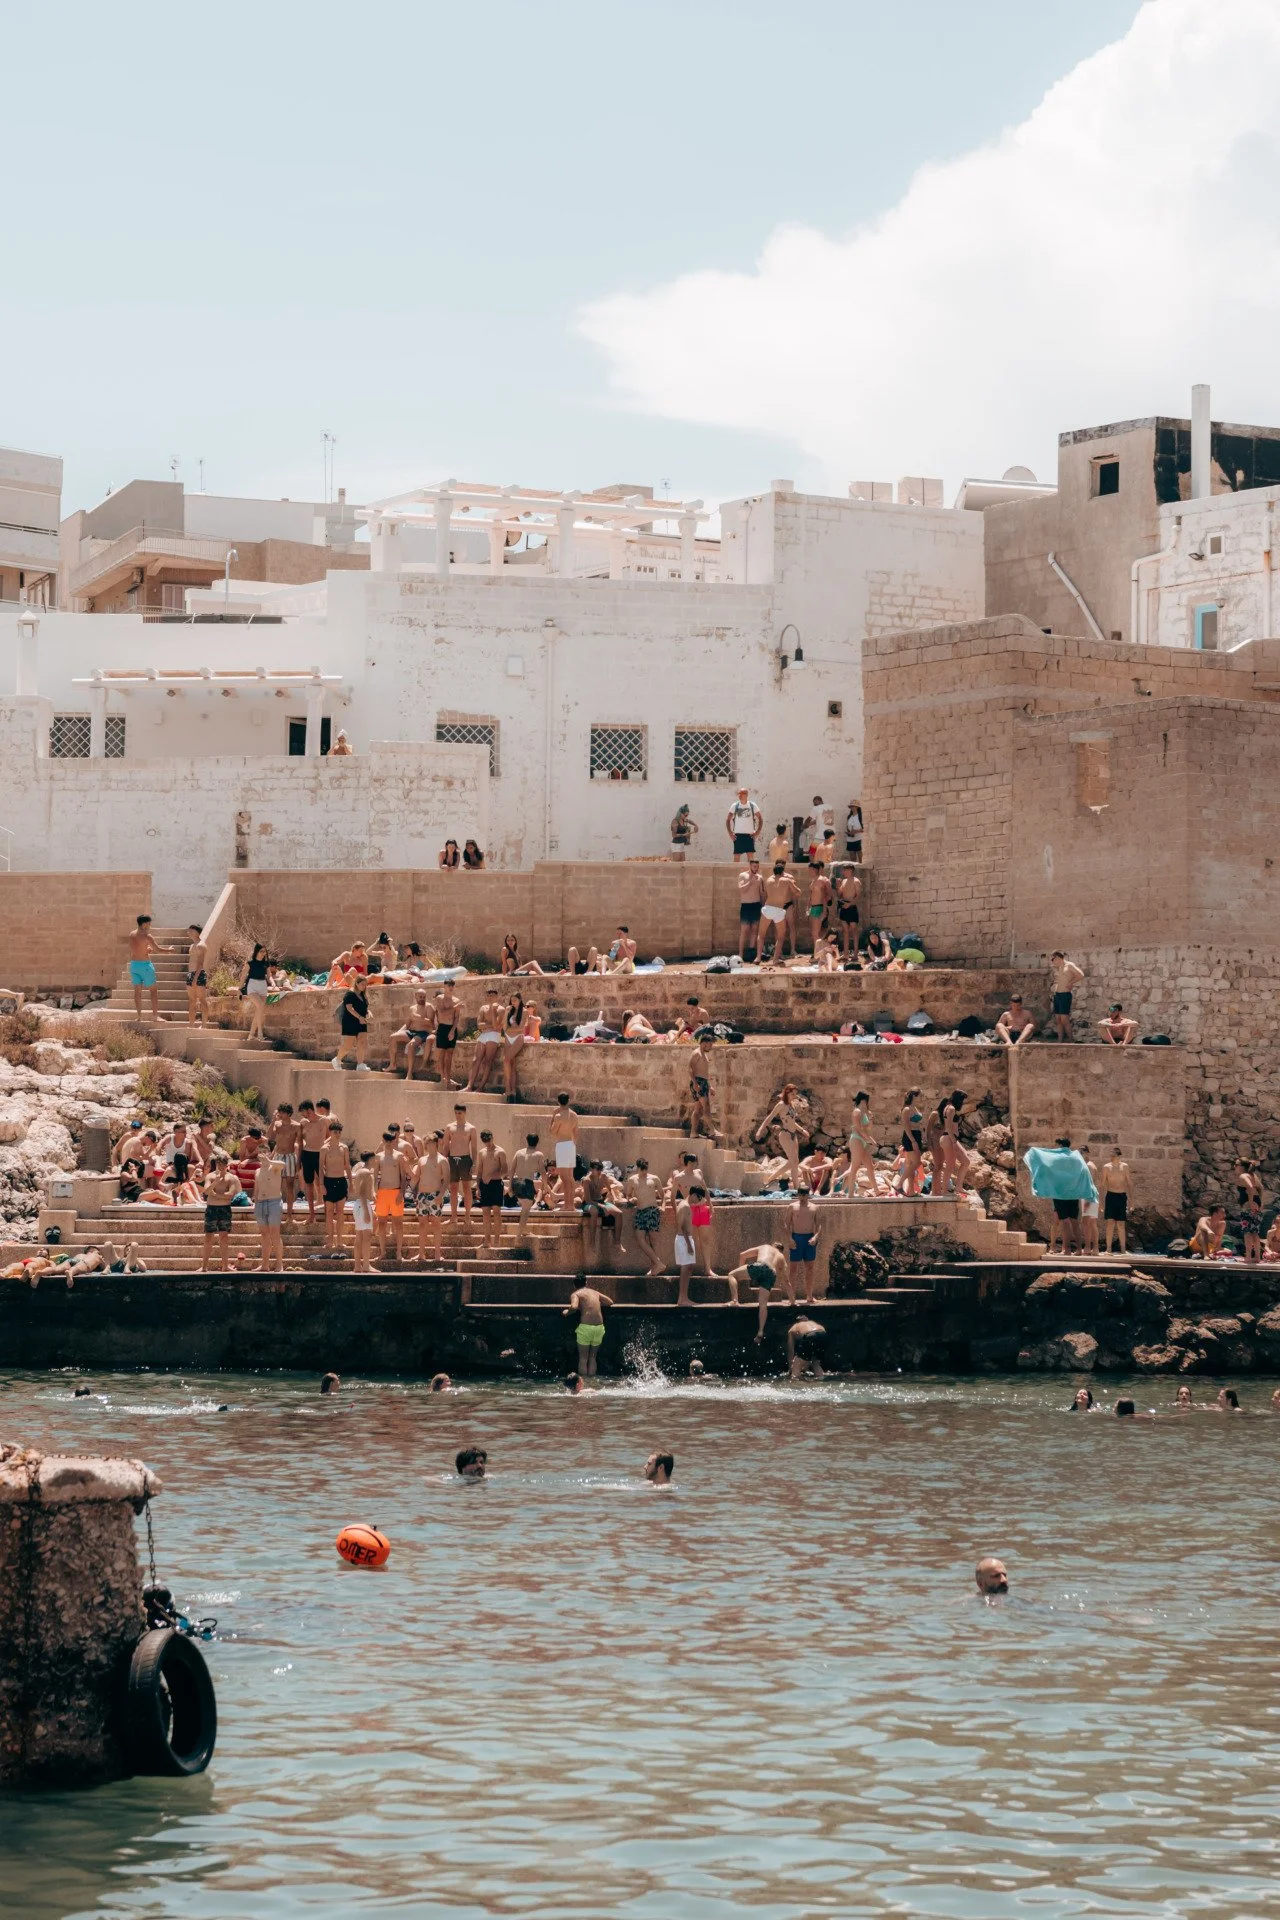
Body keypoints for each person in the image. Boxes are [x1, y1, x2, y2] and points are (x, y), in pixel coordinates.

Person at [725, 1242, 788, 1342]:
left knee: (731, 1275)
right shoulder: (781, 1256)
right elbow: (787, 1281)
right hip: (771, 1273)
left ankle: (735, 1300)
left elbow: (742, 1255)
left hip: (760, 1266)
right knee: (763, 1305)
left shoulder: (766, 1246)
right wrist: (792, 1300)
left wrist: (741, 1271)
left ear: (773, 1246)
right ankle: (760, 1331)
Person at [756, 1085, 809, 1182]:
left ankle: (770, 1179)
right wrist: (760, 1130)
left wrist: (802, 1130)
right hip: (785, 1134)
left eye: (795, 1094)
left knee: (793, 1162)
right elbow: (769, 1118)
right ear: (787, 1093)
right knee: (794, 1162)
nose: (794, 1096)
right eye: (792, 1094)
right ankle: (796, 1188)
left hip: (793, 1135)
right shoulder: (781, 1104)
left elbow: (792, 1121)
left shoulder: (791, 1105)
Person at [129, 914, 175, 1022]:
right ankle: (155, 1016)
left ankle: (139, 1016)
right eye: (149, 923)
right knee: (153, 991)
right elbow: (158, 950)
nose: (150, 926)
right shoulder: (147, 936)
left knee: (137, 992)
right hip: (145, 966)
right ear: (144, 923)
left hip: (134, 965)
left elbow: (136, 949)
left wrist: (146, 950)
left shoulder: (131, 934)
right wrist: (169, 950)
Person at [625, 1158, 664, 1276]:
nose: (644, 1171)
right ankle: (658, 1263)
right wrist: (631, 1199)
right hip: (640, 1211)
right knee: (640, 1239)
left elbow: (662, 1195)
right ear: (637, 1168)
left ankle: (654, 1268)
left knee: (653, 1241)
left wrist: (663, 1206)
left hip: (652, 1210)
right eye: (642, 1169)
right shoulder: (632, 1180)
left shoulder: (654, 1178)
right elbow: (628, 1195)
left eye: (645, 1169)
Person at [201, 1154, 241, 1271]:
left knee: (224, 1237)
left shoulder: (231, 1178)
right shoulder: (210, 1176)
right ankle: (204, 1266)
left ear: (226, 1165)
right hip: (212, 1209)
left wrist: (216, 1195)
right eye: (219, 1164)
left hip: (224, 1209)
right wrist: (216, 1182)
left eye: (223, 1164)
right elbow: (207, 1191)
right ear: (216, 1164)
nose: (221, 1167)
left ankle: (225, 1266)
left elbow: (230, 1194)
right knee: (208, 1237)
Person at [564, 1283, 613, 1377]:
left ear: (574, 1285)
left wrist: (566, 1312)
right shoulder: (595, 1292)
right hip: (599, 1328)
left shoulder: (576, 1294)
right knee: (592, 1358)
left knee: (583, 1359)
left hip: (586, 1328)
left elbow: (574, 1307)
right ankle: (592, 1381)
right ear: (586, 1283)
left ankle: (584, 1382)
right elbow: (610, 1302)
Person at [414, 1132, 448, 1263]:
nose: (428, 1145)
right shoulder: (421, 1160)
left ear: (436, 1143)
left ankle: (437, 1254)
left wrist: (441, 1195)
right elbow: (416, 1177)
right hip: (422, 1195)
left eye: (430, 1143)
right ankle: (421, 1253)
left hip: (435, 1195)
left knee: (436, 1224)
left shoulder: (442, 1160)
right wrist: (406, 1167)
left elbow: (446, 1179)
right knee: (422, 1224)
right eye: (426, 1143)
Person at [252, 1149, 286, 1273]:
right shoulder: (257, 1171)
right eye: (260, 1153)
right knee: (264, 1234)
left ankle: (279, 1264)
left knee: (275, 1233)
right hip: (260, 1203)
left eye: (264, 1153)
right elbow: (257, 1188)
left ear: (268, 1153)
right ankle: (264, 1265)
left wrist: (269, 1161)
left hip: (274, 1202)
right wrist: (255, 1203)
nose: (262, 1155)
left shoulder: (275, 1167)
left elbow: (283, 1165)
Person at [443, 1104, 479, 1221]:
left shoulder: (471, 1128)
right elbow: (446, 1146)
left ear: (464, 1113)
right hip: (452, 1159)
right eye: (456, 1113)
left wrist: (474, 1163)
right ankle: (453, 1217)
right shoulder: (449, 1127)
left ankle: (467, 1216)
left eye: (460, 1113)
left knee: (466, 1188)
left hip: (465, 1159)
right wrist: (442, 1161)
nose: (458, 1115)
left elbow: (474, 1147)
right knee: (453, 1189)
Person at [321, 1121, 352, 1254]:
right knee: (329, 1212)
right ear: (330, 1133)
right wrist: (321, 1185)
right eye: (335, 1132)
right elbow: (320, 1168)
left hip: (341, 1181)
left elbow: (347, 1166)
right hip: (328, 1181)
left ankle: (339, 1240)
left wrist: (351, 1183)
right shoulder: (324, 1149)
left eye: (339, 1132)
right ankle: (330, 1240)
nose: (337, 1134)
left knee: (340, 1212)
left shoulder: (344, 1148)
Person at [759, 862, 800, 963]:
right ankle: (776, 959)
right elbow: (798, 892)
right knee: (781, 936)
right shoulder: (787, 880)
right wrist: (791, 883)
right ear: (782, 871)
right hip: (778, 909)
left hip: (768, 908)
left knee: (761, 934)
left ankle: (758, 958)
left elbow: (766, 893)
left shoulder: (768, 880)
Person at [467, 991, 507, 1094]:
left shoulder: (501, 1009)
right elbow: (479, 1025)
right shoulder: (483, 1008)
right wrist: (490, 1025)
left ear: (497, 996)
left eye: (492, 995)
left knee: (488, 1061)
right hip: (483, 1034)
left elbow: (496, 1026)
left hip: (494, 1035)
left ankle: (481, 1087)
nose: (490, 997)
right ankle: (469, 1086)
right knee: (475, 1060)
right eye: (488, 995)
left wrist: (493, 1010)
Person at [787, 1186, 820, 1306]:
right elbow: (786, 1224)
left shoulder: (814, 1207)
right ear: (798, 1195)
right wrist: (790, 1239)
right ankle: (792, 1297)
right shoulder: (792, 1206)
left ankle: (809, 1296)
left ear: (808, 1195)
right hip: (796, 1238)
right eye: (800, 1195)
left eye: (804, 1195)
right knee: (793, 1269)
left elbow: (819, 1225)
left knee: (810, 1269)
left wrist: (815, 1237)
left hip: (809, 1239)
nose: (802, 1197)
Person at [476, 1131, 509, 1252]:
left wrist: (492, 1175)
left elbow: (505, 1170)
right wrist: (478, 1187)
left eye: (489, 1140)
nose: (487, 1143)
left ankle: (497, 1239)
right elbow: (479, 1170)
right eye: (485, 1141)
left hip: (496, 1184)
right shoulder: (482, 1152)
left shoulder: (500, 1152)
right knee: (485, 1212)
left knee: (496, 1211)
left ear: (492, 1138)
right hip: (484, 1185)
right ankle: (487, 1239)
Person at [391, 990, 435, 1078]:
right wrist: (399, 1031)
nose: (422, 999)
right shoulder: (412, 1008)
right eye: (420, 997)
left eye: (424, 997)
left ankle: (409, 1073)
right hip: (411, 1031)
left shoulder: (429, 1007)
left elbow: (431, 1023)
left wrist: (419, 1018)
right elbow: (407, 1024)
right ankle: (393, 1064)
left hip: (423, 1033)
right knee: (393, 1037)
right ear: (416, 997)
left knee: (411, 1045)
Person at [332, 971, 370, 1071]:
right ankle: (337, 1059)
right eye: (362, 984)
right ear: (356, 983)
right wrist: (359, 1017)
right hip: (350, 1022)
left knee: (361, 1043)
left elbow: (364, 1007)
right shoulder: (349, 994)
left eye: (365, 985)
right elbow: (349, 1008)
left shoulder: (363, 995)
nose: (364, 986)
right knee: (348, 1046)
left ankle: (360, 1065)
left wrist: (368, 1012)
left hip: (362, 1021)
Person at [550, 1093, 580, 1215]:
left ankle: (568, 1205)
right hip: (571, 1145)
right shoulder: (574, 1115)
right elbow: (576, 1133)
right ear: (568, 1101)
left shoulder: (558, 1116)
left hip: (562, 1145)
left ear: (558, 1101)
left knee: (564, 1177)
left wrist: (553, 1116)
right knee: (570, 1177)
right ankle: (570, 1205)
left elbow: (552, 1131)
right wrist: (572, 1145)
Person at [503, 993, 537, 1100]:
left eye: (515, 1000)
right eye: (512, 1000)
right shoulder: (508, 1009)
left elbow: (521, 1027)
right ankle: (512, 1090)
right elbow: (504, 1025)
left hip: (518, 1037)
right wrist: (509, 1029)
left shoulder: (524, 1011)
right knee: (512, 1064)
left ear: (520, 1000)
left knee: (506, 1060)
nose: (513, 1002)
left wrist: (510, 1029)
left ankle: (508, 1088)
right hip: (508, 1037)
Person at [687, 1038, 720, 1144]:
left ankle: (693, 1133)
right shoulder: (696, 1053)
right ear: (704, 1043)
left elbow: (704, 1072)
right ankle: (712, 1130)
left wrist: (709, 1086)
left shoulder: (704, 1054)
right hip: (698, 1082)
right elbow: (690, 1069)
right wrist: (695, 1083)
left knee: (698, 1109)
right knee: (706, 1106)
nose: (711, 1047)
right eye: (710, 1045)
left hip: (703, 1082)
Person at [1100, 1146, 1131, 1254]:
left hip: (1122, 1196)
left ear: (1118, 1155)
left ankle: (1123, 1249)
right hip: (1111, 1196)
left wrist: (1132, 1201)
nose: (1111, 1156)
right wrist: (1101, 1202)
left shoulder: (1125, 1166)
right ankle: (1108, 1248)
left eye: (1113, 1154)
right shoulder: (1106, 1167)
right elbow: (1102, 1185)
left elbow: (1129, 1183)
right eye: (1111, 1154)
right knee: (1110, 1223)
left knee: (1121, 1224)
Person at [847, 1090, 878, 1194]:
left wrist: (871, 1118)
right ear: (863, 1100)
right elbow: (858, 1128)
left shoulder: (863, 1113)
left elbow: (867, 1128)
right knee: (855, 1166)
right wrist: (869, 1139)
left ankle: (876, 1190)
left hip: (863, 1140)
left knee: (870, 1166)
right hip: (856, 1139)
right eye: (866, 1100)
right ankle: (850, 1193)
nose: (866, 1102)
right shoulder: (857, 1111)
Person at [1049, 951, 1085, 1042]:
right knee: (1058, 1019)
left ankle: (1070, 1040)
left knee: (1064, 1019)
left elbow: (1081, 975)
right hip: (1057, 994)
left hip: (1065, 994)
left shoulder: (1069, 965)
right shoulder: (1059, 967)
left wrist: (1071, 982)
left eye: (1053, 958)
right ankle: (1060, 1041)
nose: (1052, 961)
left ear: (1058, 957)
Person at [433, 983, 462, 1090]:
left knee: (449, 1055)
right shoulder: (439, 999)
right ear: (444, 987)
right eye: (448, 986)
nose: (450, 988)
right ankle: (443, 1077)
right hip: (442, 1027)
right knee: (441, 1054)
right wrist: (455, 1007)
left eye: (452, 986)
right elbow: (441, 1013)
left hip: (452, 1028)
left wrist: (453, 1031)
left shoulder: (456, 1000)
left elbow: (456, 1017)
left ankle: (448, 1079)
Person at [511, 1134, 546, 1225]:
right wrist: (545, 1186)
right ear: (537, 1142)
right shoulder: (538, 1154)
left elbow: (512, 1170)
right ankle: (520, 1232)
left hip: (517, 1182)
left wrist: (511, 1185)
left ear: (527, 1140)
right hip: (527, 1183)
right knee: (525, 1212)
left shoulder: (518, 1153)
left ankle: (522, 1229)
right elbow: (543, 1172)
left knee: (524, 1209)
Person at [240, 942, 272, 1042]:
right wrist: (239, 989)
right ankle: (260, 1033)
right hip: (252, 987)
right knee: (260, 1006)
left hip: (263, 986)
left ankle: (251, 1035)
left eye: (264, 952)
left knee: (259, 1010)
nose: (263, 954)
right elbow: (243, 976)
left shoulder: (266, 963)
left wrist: (273, 983)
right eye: (261, 951)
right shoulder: (250, 963)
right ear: (256, 951)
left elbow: (269, 976)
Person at [350, 1152, 376, 1272]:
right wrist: (366, 1211)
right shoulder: (366, 1172)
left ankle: (357, 1266)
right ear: (370, 1160)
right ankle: (366, 1265)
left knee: (359, 1236)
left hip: (360, 1205)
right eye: (374, 1159)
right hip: (362, 1205)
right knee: (366, 1237)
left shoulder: (361, 1171)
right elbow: (361, 1192)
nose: (375, 1161)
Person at [726, 787, 763, 865]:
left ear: (746, 795)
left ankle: (750, 872)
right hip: (738, 835)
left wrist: (757, 832)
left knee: (751, 858)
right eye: (739, 793)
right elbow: (728, 820)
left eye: (742, 793)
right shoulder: (735, 805)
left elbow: (760, 818)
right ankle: (736, 872)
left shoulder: (752, 805)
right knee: (736, 857)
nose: (739, 795)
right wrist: (730, 833)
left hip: (750, 835)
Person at [737, 857, 765, 960]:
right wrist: (750, 881)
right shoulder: (743, 875)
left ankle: (751, 953)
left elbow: (762, 893)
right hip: (746, 906)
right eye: (754, 866)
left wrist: (763, 905)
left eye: (757, 867)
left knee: (754, 929)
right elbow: (741, 889)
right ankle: (740, 954)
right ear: (750, 866)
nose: (755, 868)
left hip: (756, 905)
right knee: (744, 930)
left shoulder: (760, 877)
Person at [805, 864, 833, 955]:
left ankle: (817, 954)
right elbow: (811, 896)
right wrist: (808, 908)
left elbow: (825, 896)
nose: (809, 871)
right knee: (816, 933)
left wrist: (824, 911)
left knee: (816, 933)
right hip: (813, 908)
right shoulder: (813, 880)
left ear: (814, 869)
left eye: (810, 869)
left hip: (819, 907)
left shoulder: (821, 880)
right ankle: (819, 953)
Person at [834, 866, 862, 959]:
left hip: (852, 907)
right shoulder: (844, 881)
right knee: (845, 931)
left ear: (851, 870)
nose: (844, 872)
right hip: (844, 906)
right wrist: (838, 885)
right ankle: (846, 953)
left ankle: (855, 954)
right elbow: (839, 894)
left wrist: (849, 904)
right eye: (844, 870)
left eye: (846, 870)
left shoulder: (856, 881)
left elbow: (858, 896)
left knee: (854, 931)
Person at [185, 924, 209, 1028]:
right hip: (190, 973)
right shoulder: (192, 945)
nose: (188, 933)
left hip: (198, 974)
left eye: (190, 931)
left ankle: (204, 1025)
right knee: (192, 1001)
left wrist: (195, 978)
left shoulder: (201, 945)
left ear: (196, 932)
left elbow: (200, 964)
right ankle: (191, 1024)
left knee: (202, 1000)